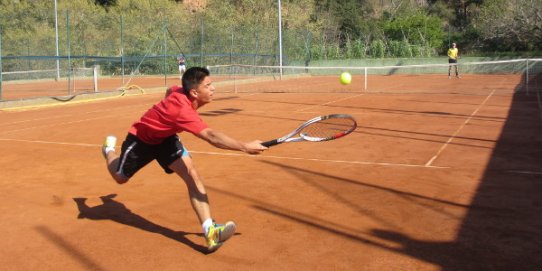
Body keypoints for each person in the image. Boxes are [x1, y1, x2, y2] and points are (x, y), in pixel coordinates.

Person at [101, 66, 267, 252]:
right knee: (120, 177)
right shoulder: (182, 111)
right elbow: (211, 136)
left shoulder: (181, 92)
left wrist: (165, 115)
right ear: (194, 92)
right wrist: (245, 146)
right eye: (208, 85)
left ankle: (210, 231)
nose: (213, 88)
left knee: (191, 174)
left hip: (166, 139)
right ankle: (108, 150)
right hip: (142, 139)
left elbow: (170, 89)